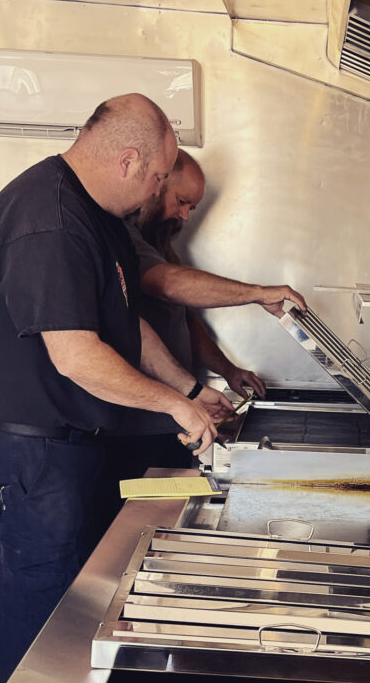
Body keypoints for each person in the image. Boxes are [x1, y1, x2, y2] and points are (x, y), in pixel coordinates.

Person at [0, 94, 233, 683]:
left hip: (70, 452)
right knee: (43, 631)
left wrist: (187, 386)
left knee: (78, 621)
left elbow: (125, 323)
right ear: (129, 160)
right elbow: (78, 355)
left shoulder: (97, 217)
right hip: (31, 460)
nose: (158, 192)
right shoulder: (49, 217)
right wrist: (174, 405)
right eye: (159, 176)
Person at [102, 150, 308, 485]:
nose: (183, 216)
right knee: (138, 520)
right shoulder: (122, 239)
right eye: (180, 201)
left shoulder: (157, 246)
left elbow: (183, 320)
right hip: (136, 426)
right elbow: (168, 285)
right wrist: (257, 293)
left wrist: (227, 369)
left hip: (175, 418)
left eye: (191, 208)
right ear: (157, 184)